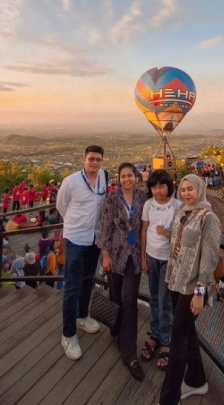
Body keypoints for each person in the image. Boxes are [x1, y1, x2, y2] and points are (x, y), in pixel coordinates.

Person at [159, 175, 221, 405]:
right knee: (187, 332)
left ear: (200, 190)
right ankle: (196, 379)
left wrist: (199, 294)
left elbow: (209, 259)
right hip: (176, 282)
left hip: (192, 290)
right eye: (183, 189)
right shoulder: (183, 211)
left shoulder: (209, 218)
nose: (186, 193)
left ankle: (168, 398)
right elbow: (180, 240)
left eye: (190, 189)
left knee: (177, 341)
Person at [56, 145, 108, 361]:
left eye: (98, 159)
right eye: (91, 159)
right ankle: (68, 334)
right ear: (83, 159)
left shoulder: (104, 177)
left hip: (94, 239)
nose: (94, 163)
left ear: (102, 161)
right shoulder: (70, 181)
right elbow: (61, 206)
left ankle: (82, 315)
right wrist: (75, 224)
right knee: (71, 287)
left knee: (88, 281)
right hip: (75, 239)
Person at [98, 162, 147, 380]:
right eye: (123, 176)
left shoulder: (142, 197)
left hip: (134, 257)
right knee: (116, 296)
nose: (127, 179)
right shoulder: (112, 198)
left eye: (130, 175)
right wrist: (105, 254)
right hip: (116, 254)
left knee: (129, 300)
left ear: (136, 177)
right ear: (118, 178)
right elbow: (105, 227)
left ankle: (130, 354)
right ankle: (116, 329)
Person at [140, 169, 180, 370]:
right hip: (151, 257)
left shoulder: (177, 206)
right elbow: (144, 230)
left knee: (164, 301)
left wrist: (165, 233)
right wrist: (143, 259)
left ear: (169, 186)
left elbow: (182, 235)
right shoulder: (148, 205)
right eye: (154, 187)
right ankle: (155, 334)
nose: (158, 191)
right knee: (154, 297)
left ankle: (166, 340)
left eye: (161, 186)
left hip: (168, 260)